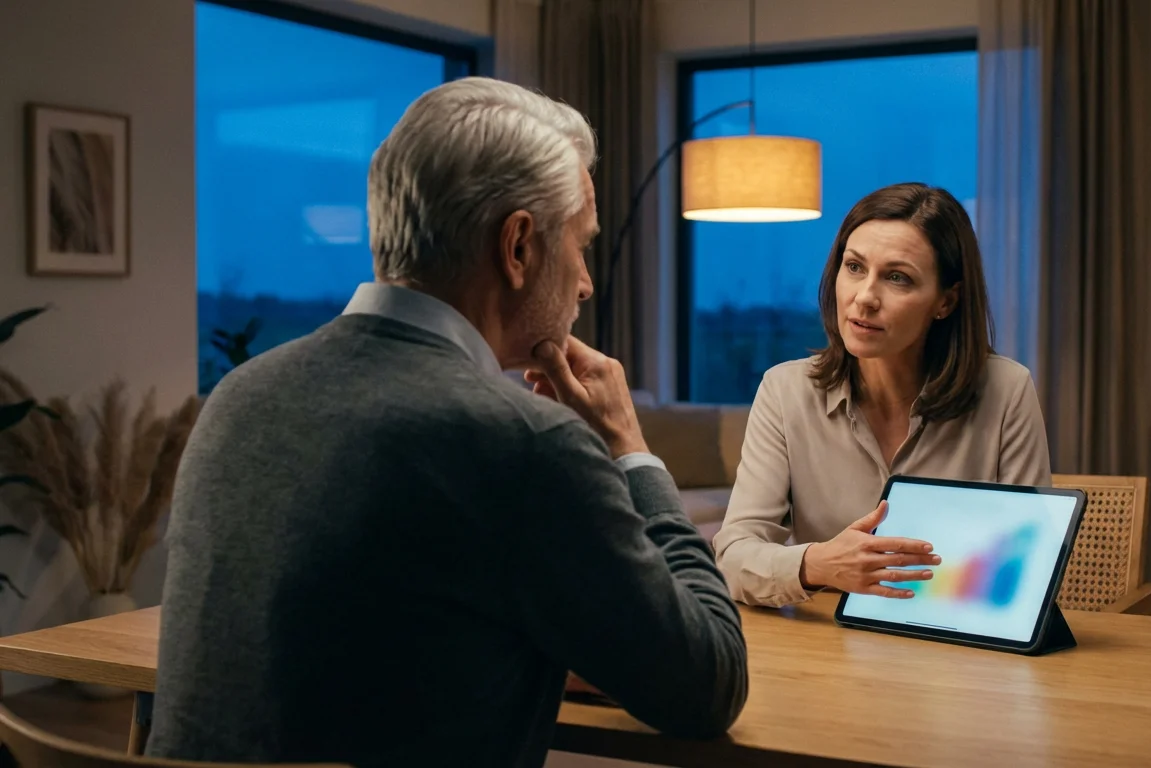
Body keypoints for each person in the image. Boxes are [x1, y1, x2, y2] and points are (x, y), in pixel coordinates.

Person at [146, 77, 748, 767]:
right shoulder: (522, 442)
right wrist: (630, 449)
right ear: (518, 247)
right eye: (580, 245)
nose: (585, 282)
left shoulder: (239, 396)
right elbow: (709, 685)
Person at [712, 182, 1051, 608]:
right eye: (854, 267)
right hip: (828, 650)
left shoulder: (1007, 391)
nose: (865, 297)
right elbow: (733, 557)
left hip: (961, 651)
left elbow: (1029, 567)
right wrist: (817, 564)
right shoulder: (785, 392)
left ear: (945, 302)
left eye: (897, 278)